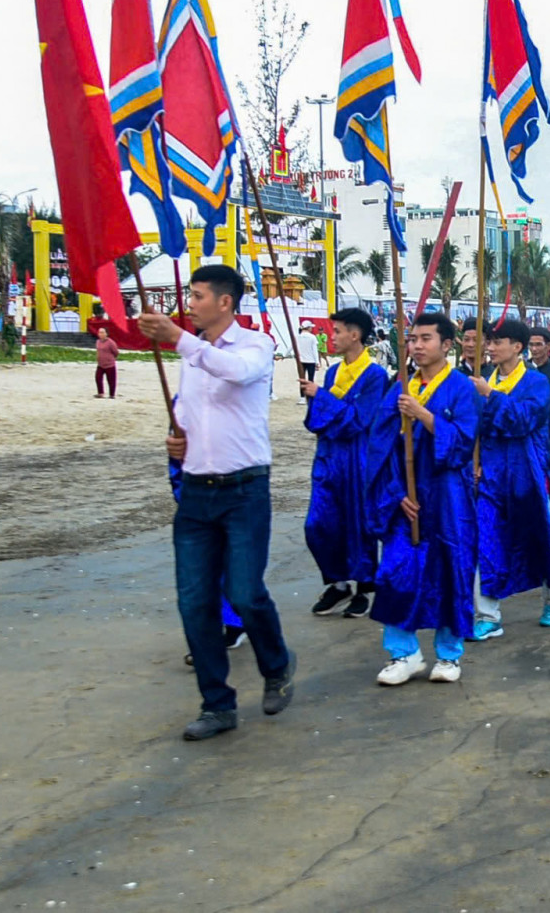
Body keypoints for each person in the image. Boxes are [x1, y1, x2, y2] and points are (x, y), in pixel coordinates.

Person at [136, 264, 295, 742]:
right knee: (194, 602)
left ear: (225, 302)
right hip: (196, 493)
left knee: (246, 592)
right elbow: (187, 411)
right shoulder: (192, 355)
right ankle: (217, 703)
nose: (191, 302)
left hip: (245, 490)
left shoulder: (255, 344)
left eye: (199, 294)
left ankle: (277, 664)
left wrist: (181, 340)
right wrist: (175, 439)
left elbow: (237, 373)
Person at [367, 311, 480, 686]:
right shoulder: (399, 386)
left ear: (447, 344)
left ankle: (449, 655)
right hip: (405, 495)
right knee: (397, 571)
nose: (416, 346)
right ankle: (405, 653)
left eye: (425, 339)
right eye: (412, 339)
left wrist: (424, 415)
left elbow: (463, 444)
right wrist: (396, 493)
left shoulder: (461, 387)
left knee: (451, 570)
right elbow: (380, 446)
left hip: (447, 496)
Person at [470, 316, 550, 636]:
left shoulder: (536, 383)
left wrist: (490, 397)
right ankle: (487, 616)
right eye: (489, 341)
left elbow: (523, 420)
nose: (490, 347)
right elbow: (475, 428)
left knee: (543, 537)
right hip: (492, 475)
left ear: (517, 347)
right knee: (485, 538)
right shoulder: (485, 380)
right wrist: (475, 460)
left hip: (529, 473)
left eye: (497, 342)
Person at [301, 307, 391, 619]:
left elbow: (359, 420)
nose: (332, 336)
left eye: (337, 331)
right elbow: (321, 418)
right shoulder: (332, 373)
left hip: (357, 457)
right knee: (319, 523)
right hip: (329, 456)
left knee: (358, 521)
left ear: (355, 335)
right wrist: (317, 399)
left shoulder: (375, 375)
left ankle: (366, 585)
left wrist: (320, 397)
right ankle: (337, 582)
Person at [93, 326, 119, 398]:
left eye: (102, 332)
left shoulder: (111, 342)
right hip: (100, 364)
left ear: (106, 334)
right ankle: (100, 393)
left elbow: (116, 352)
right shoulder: (98, 342)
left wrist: (110, 358)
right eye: (99, 332)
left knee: (111, 380)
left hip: (109, 364)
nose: (100, 334)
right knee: (98, 378)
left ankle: (112, 394)